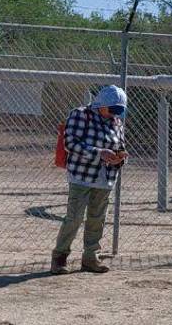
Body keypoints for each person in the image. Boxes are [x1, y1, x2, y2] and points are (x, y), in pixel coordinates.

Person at [50, 85, 128, 275]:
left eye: (119, 110)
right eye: (113, 109)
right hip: (82, 177)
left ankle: (91, 257)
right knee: (74, 218)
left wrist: (119, 157)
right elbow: (71, 143)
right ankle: (59, 257)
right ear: (101, 104)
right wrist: (99, 153)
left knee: (97, 219)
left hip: (106, 177)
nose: (115, 114)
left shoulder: (116, 122)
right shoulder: (80, 114)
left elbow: (120, 144)